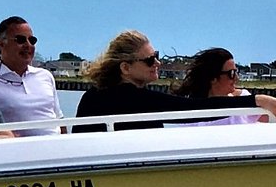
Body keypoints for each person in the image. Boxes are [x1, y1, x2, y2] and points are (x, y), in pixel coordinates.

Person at [74, 30, 259, 132]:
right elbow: (193, 109)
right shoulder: (132, 98)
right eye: (149, 60)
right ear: (125, 68)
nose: (157, 63)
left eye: (156, 56)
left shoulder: (92, 95)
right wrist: (255, 101)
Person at [0, 16, 65, 135]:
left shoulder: (46, 76)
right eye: (20, 40)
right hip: (14, 151)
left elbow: (59, 120)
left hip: (55, 150)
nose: (28, 45)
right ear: (1, 44)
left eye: (32, 40)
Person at [173, 48, 276, 123]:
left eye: (236, 72)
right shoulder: (191, 111)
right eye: (231, 73)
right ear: (213, 78)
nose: (237, 77)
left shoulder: (243, 98)